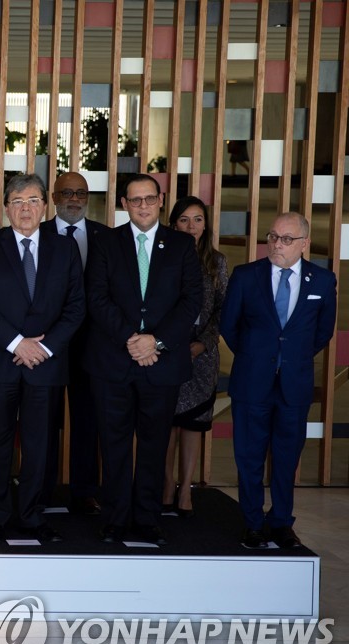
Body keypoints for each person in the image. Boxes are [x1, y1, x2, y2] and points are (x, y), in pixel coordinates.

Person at [0, 174, 85, 543]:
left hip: (45, 364)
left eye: (33, 200)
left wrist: (44, 348)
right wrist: (17, 343)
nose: (26, 208)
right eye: (17, 201)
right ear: (5, 208)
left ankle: (31, 516)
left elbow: (76, 307)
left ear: (45, 206)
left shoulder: (64, 250)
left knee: (39, 445)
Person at [84, 174, 202, 546]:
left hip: (162, 363)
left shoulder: (182, 244)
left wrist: (157, 341)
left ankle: (148, 518)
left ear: (161, 200)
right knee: (114, 444)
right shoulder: (105, 242)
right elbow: (97, 297)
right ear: (124, 204)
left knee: (154, 445)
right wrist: (131, 340)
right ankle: (116, 517)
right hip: (113, 361)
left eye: (150, 198)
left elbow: (191, 301)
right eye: (135, 200)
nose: (144, 206)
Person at [220, 212, 336, 549]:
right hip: (252, 381)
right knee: (249, 456)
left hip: (294, 386)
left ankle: (282, 522)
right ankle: (254, 524)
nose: (276, 244)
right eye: (272, 236)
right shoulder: (245, 276)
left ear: (304, 244)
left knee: (287, 458)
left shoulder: (323, 281)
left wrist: (289, 360)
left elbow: (322, 333)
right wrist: (258, 357)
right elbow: (230, 327)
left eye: (286, 239)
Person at [40, 171, 109, 516]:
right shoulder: (36, 234)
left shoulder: (106, 237)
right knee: (44, 419)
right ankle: (42, 488)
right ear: (53, 197)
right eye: (66, 192)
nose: (74, 199)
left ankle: (84, 491)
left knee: (87, 419)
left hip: (92, 347)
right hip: (46, 345)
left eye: (81, 193)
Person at [161, 196, 228, 518]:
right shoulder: (163, 258)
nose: (191, 226)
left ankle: (185, 489)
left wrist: (203, 343)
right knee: (166, 426)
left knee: (192, 427)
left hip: (201, 357)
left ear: (206, 224)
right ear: (173, 224)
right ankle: (165, 485)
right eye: (184, 220)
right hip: (166, 352)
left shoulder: (217, 263)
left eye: (198, 219)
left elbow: (221, 310)